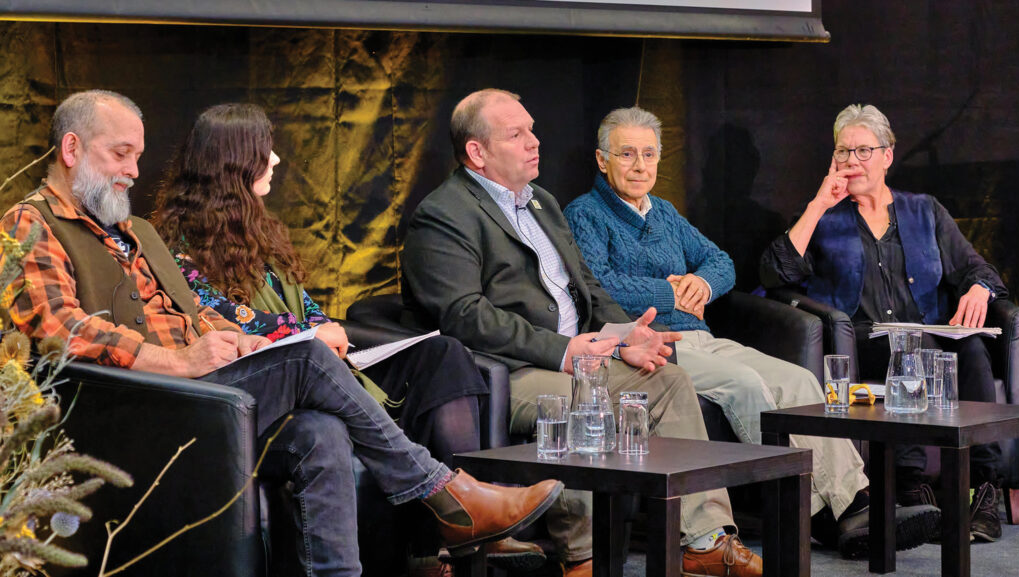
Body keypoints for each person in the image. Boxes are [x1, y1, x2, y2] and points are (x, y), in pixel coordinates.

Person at [0, 89, 563, 577]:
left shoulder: (134, 230)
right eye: (120, 154)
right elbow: (61, 329)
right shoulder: (29, 223)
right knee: (308, 362)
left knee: (320, 431)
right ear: (71, 149)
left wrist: (239, 339)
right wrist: (178, 361)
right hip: (139, 407)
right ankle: (446, 494)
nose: (133, 171)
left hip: (204, 392)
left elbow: (195, 316)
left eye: (138, 156)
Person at [150, 102, 542, 572]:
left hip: (319, 360)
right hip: (273, 380)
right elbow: (223, 321)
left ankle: (468, 522)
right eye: (266, 152)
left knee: (441, 355)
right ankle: (451, 501)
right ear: (234, 164)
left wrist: (321, 325)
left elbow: (301, 302)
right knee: (321, 386)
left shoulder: (259, 230)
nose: (276, 160)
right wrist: (310, 331)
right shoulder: (173, 248)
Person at [402, 88, 761, 577]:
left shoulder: (543, 204)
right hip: (512, 368)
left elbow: (586, 287)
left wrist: (628, 333)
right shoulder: (444, 214)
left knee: (668, 380)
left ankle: (703, 540)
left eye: (532, 129)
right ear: (476, 152)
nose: (535, 141)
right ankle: (585, 558)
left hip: (583, 354)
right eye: (517, 134)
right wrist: (564, 350)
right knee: (586, 398)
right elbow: (465, 315)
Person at [563, 106, 941, 558]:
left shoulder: (662, 212)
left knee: (800, 382)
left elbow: (720, 261)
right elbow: (596, 287)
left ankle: (858, 501)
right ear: (603, 160)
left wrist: (701, 283)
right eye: (627, 154)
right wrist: (667, 293)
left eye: (649, 154)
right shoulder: (584, 214)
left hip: (701, 336)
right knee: (746, 386)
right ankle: (823, 516)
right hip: (649, 344)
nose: (641, 165)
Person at [760, 103, 1006, 543]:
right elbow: (775, 274)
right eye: (842, 152)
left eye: (862, 151)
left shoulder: (924, 211)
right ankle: (910, 487)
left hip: (930, 332)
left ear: (887, 156)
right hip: (863, 339)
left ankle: (983, 490)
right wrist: (818, 205)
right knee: (904, 350)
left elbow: (978, 268)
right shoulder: (824, 217)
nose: (851, 161)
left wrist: (979, 289)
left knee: (971, 349)